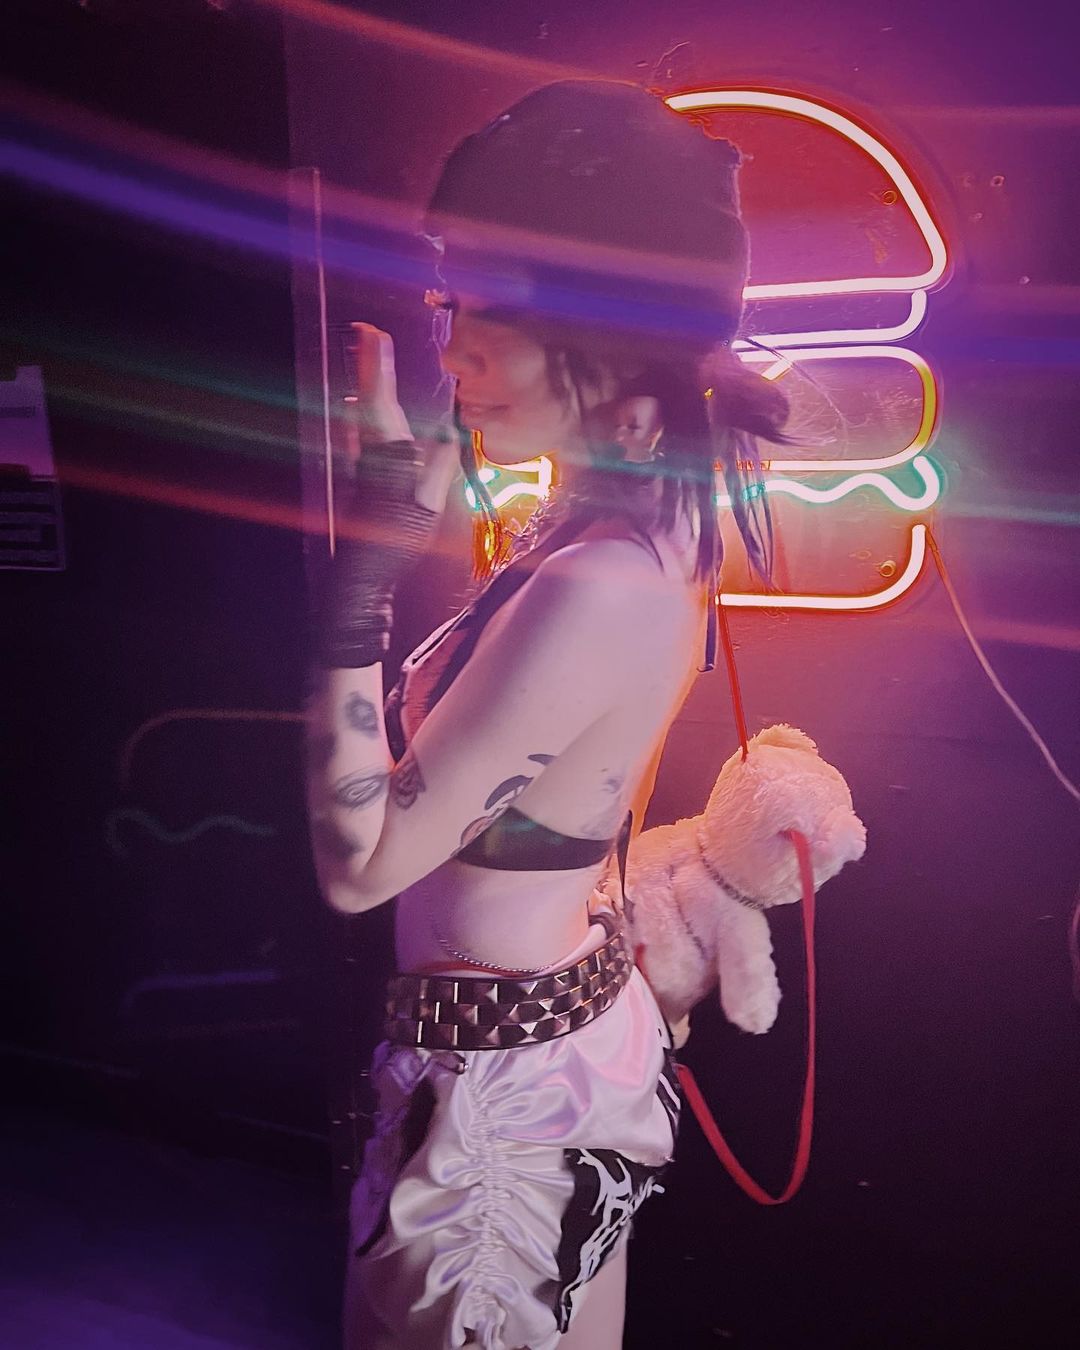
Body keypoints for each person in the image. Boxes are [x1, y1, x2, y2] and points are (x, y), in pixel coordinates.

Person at [305, 79, 790, 1350]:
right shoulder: (617, 519)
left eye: (496, 309)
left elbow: (360, 864)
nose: (454, 349)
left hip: (503, 1111)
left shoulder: (605, 575)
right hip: (513, 1061)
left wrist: (364, 572)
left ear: (621, 325)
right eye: (450, 303)